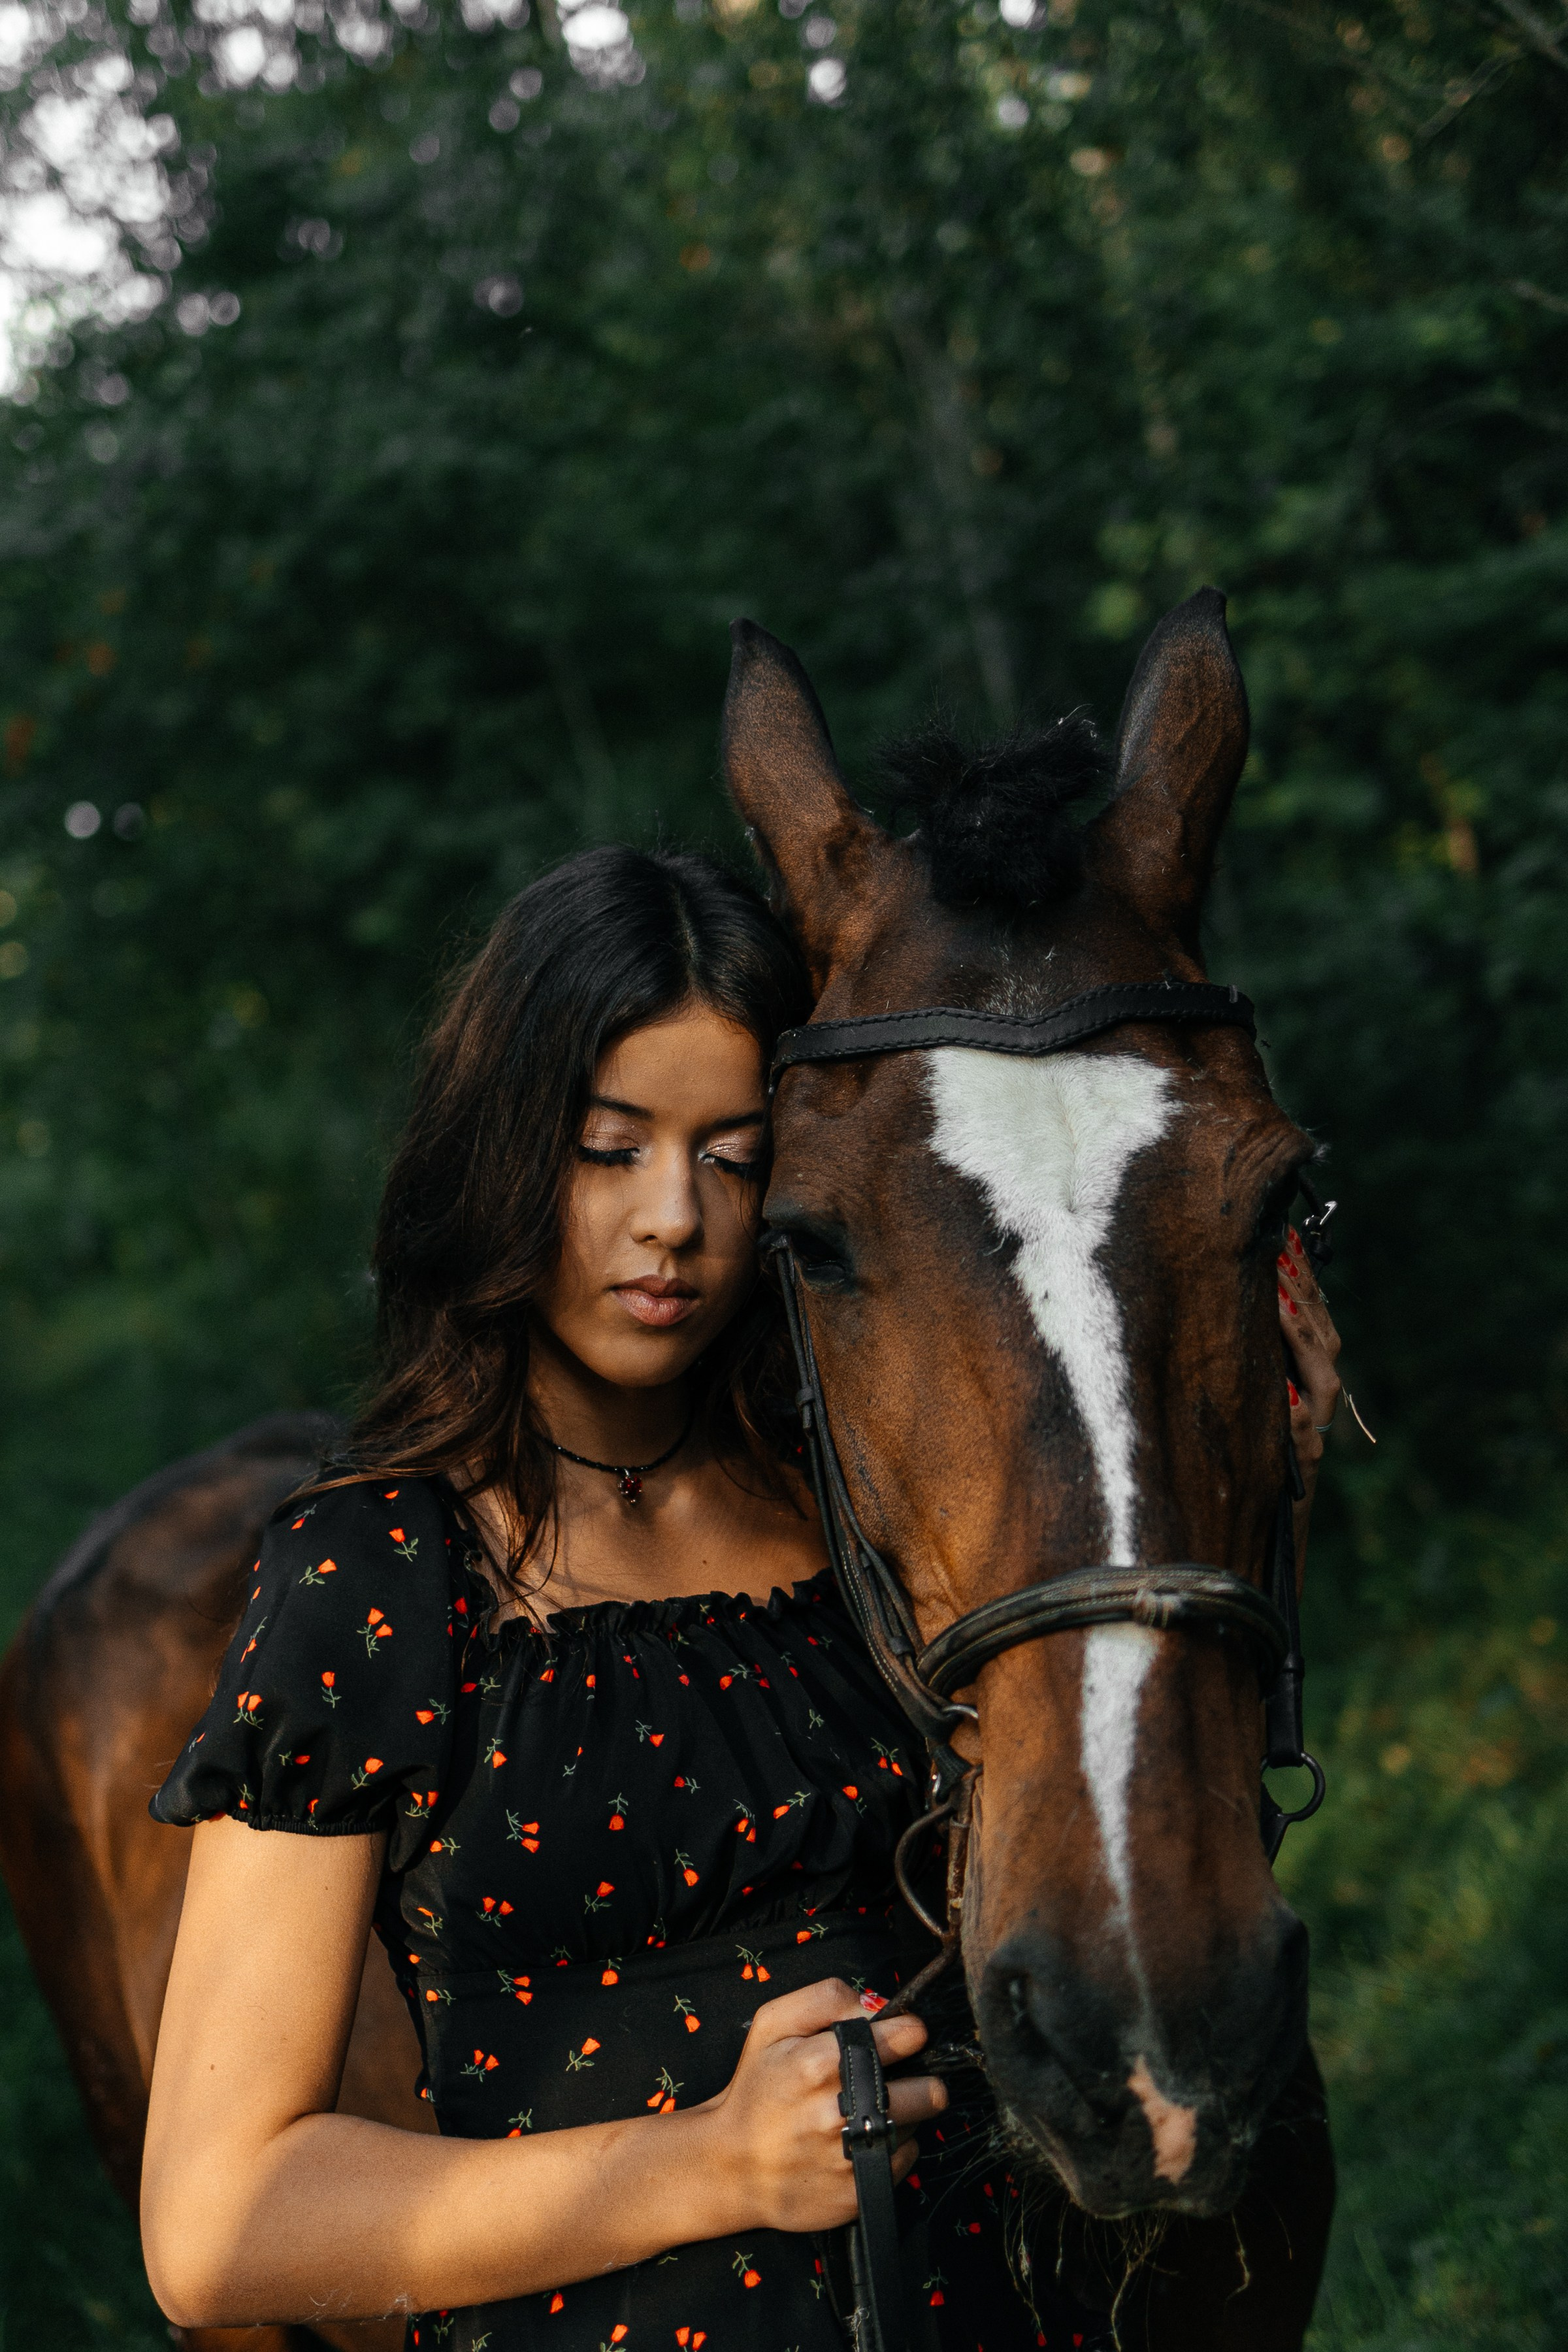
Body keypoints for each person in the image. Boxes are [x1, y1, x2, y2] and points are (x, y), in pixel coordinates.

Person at [141, 845, 1342, 2352]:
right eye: (608, 1143)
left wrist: (1242, 1445)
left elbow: (1111, 1766)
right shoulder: (373, 1576)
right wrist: (702, 2165)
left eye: (729, 1152)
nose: (674, 1221)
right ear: (501, 1151)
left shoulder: (856, 1510)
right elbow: (213, 2226)